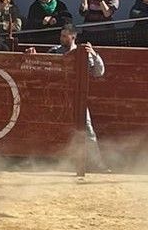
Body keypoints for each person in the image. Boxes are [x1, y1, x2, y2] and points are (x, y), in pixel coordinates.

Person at [26, 23, 107, 168]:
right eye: (61, 35)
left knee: (87, 131)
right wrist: (34, 57)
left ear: (73, 37)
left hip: (76, 99)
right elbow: (41, 69)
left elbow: (98, 72)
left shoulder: (84, 53)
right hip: (55, 98)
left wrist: (94, 54)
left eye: (65, 36)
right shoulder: (54, 52)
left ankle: (97, 165)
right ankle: (43, 164)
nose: (61, 38)